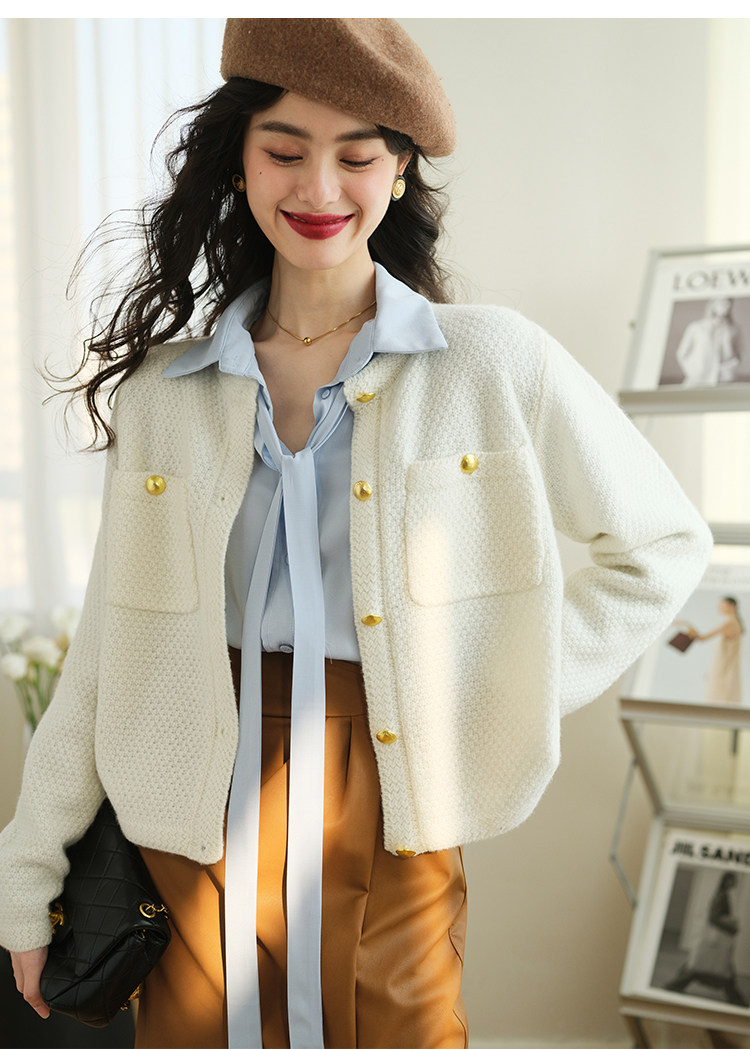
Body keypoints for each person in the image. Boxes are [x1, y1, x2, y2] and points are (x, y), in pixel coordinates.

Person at [0, 18, 713, 1049]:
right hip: (190, 788)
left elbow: (660, 546)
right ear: (239, 160)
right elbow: (109, 653)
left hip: (390, 781)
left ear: (402, 168)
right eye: (285, 151)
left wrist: (492, 690)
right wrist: (27, 873)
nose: (319, 187)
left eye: (358, 155)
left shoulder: (490, 361)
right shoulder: (165, 392)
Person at [664, 871, 749, 1007]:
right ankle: (736, 1000)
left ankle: (674, 986)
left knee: (704, 966)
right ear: (727, 881)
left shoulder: (723, 894)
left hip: (716, 942)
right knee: (710, 969)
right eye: (733, 880)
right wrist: (731, 926)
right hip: (717, 941)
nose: (735, 883)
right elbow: (713, 917)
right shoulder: (722, 896)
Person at [688, 596, 744, 706]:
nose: (720, 608)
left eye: (723, 605)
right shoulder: (735, 623)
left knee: (719, 698)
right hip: (726, 667)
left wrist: (689, 630)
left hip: (724, 669)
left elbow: (702, 638)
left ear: (732, 606)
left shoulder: (730, 624)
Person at [674, 297, 742, 387]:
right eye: (722, 302)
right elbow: (681, 353)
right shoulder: (696, 327)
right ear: (713, 303)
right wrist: (694, 371)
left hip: (723, 381)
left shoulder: (734, 329)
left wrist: (726, 371)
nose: (727, 305)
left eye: (729, 302)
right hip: (697, 380)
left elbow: (737, 357)